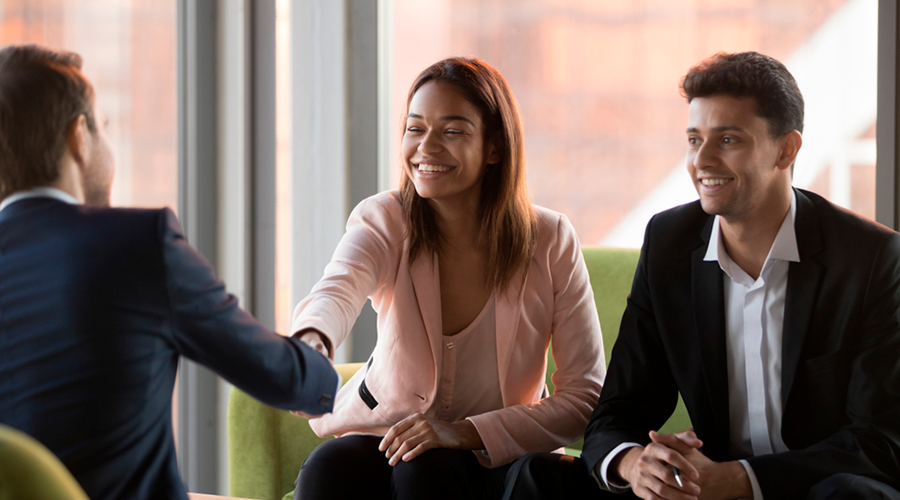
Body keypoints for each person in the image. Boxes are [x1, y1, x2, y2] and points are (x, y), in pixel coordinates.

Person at [504, 51, 900, 500]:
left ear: (786, 149)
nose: (702, 160)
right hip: (695, 487)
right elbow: (620, 409)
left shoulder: (869, 259)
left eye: (728, 140)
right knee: (536, 477)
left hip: (803, 487)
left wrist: (737, 479)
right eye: (694, 140)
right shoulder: (670, 242)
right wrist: (636, 464)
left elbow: (879, 443)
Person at [0, 44, 339, 500]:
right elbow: (277, 374)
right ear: (79, 137)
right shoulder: (137, 244)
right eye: (103, 127)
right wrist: (321, 367)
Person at [290, 56, 606, 500]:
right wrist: (311, 345)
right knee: (330, 469)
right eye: (415, 128)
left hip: (490, 451)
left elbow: (584, 396)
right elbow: (337, 290)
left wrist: (465, 432)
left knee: (426, 471)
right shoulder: (386, 219)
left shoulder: (550, 239)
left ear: (495, 148)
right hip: (385, 433)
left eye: (452, 131)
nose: (426, 148)